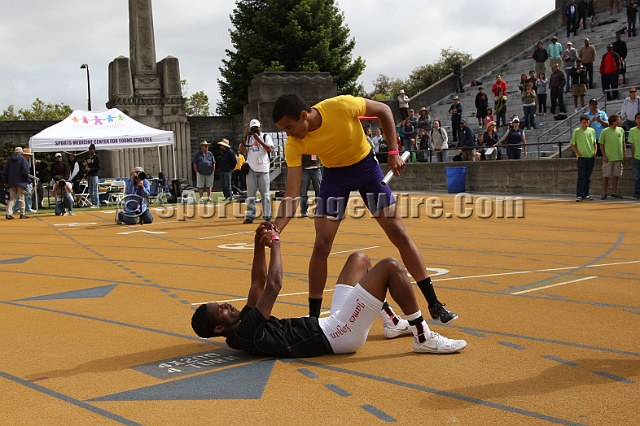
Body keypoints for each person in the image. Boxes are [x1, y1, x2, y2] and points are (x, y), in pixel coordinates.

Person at [271, 93, 458, 324]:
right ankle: (313, 318)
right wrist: (275, 228)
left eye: (288, 127)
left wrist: (393, 153)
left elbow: (384, 111)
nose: (288, 134)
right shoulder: (294, 144)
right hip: (335, 179)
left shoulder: (340, 106)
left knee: (398, 233)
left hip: (366, 171)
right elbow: (291, 194)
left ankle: (434, 303)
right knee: (321, 244)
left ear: (303, 115)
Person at [191, 225, 467, 356]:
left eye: (223, 303)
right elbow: (273, 285)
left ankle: (393, 323)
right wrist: (275, 243)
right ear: (219, 329)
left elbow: (257, 283)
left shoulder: (241, 326)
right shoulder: (246, 332)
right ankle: (422, 336)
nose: (227, 305)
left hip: (330, 324)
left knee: (358, 258)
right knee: (391, 267)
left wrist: (256, 243)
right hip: (339, 335)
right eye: (221, 310)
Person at [239, 119, 273, 224]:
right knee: (251, 195)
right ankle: (250, 215)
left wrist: (258, 139)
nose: (255, 130)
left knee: (266, 195)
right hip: (251, 169)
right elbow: (241, 150)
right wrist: (246, 136)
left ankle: (267, 216)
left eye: (256, 128)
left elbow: (269, 149)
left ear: (260, 127)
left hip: (263, 169)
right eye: (252, 128)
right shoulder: (248, 139)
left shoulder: (265, 137)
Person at [569, 115, 598, 201]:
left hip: (590, 156)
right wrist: (578, 153)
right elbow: (573, 144)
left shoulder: (592, 131)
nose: (586, 124)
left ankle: (586, 194)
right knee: (581, 176)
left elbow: (594, 142)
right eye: (584, 122)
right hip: (582, 157)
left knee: (588, 177)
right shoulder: (577, 131)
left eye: (587, 122)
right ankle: (580, 194)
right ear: (581, 122)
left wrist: (595, 151)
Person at [599, 114, 627, 199]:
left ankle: (614, 192)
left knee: (616, 175)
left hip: (618, 156)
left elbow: (623, 142)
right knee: (606, 175)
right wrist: (604, 155)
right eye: (618, 120)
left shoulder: (621, 130)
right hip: (609, 157)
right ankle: (604, 192)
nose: (620, 121)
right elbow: (601, 144)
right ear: (613, 121)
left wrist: (624, 153)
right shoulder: (605, 131)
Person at [2, 147, 31, 220]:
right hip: (20, 181)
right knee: (21, 197)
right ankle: (22, 213)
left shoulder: (9, 160)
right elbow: (25, 171)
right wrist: (26, 180)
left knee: (11, 198)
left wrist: (5, 181)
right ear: (21, 152)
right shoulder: (22, 159)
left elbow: (5, 172)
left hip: (11, 181)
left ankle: (8, 213)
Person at [82, 143, 101, 208]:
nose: (90, 151)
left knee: (95, 190)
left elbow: (98, 167)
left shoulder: (96, 157)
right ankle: (93, 203)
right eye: (89, 149)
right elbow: (88, 166)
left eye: (92, 149)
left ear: (94, 150)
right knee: (90, 190)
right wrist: (86, 167)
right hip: (89, 175)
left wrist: (91, 169)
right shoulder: (88, 158)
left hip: (94, 175)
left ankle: (97, 204)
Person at [628, 112, 640, 199]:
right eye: (638, 118)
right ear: (635, 120)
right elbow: (631, 144)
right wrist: (632, 155)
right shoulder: (632, 130)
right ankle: (636, 193)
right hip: (636, 157)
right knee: (637, 177)